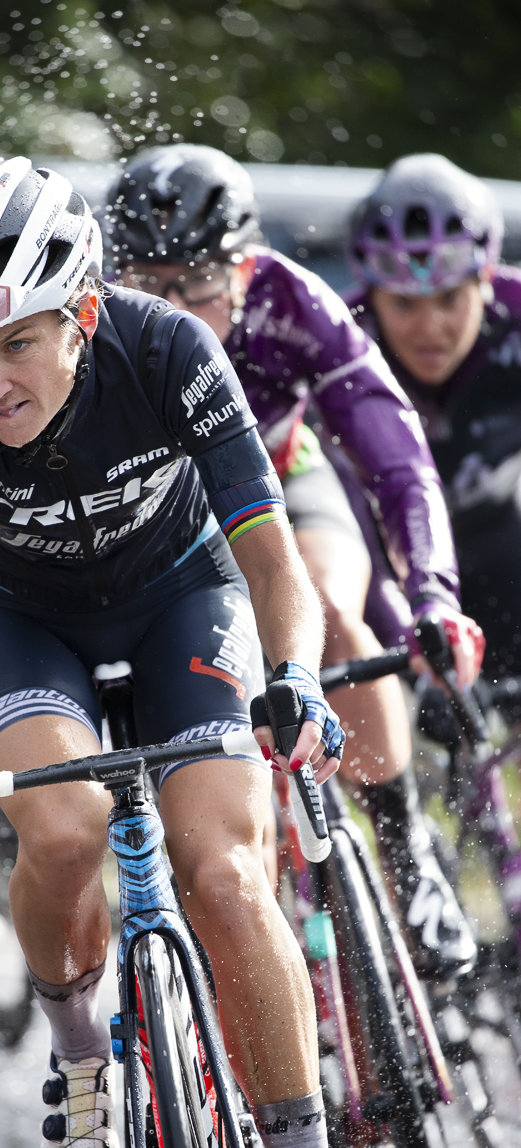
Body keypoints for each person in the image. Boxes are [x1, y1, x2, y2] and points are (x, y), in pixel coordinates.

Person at [0, 155, 346, 1148]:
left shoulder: (166, 345)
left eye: (16, 343)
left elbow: (272, 562)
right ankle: (81, 1052)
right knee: (66, 826)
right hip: (20, 624)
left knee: (222, 874)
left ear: (80, 311)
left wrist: (297, 676)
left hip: (180, 592)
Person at [107, 144, 482, 980]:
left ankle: (405, 849)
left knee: (332, 608)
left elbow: (396, 459)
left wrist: (432, 590)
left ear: (246, 268)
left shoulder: (291, 299)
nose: (178, 312)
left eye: (201, 284)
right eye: (151, 285)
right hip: (161, 524)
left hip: (282, 478)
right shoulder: (91, 322)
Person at [347, 152, 521, 923]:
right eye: (404, 303)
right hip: (400, 585)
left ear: (486, 277)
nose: (429, 326)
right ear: (371, 294)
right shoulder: (343, 342)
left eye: (450, 298)